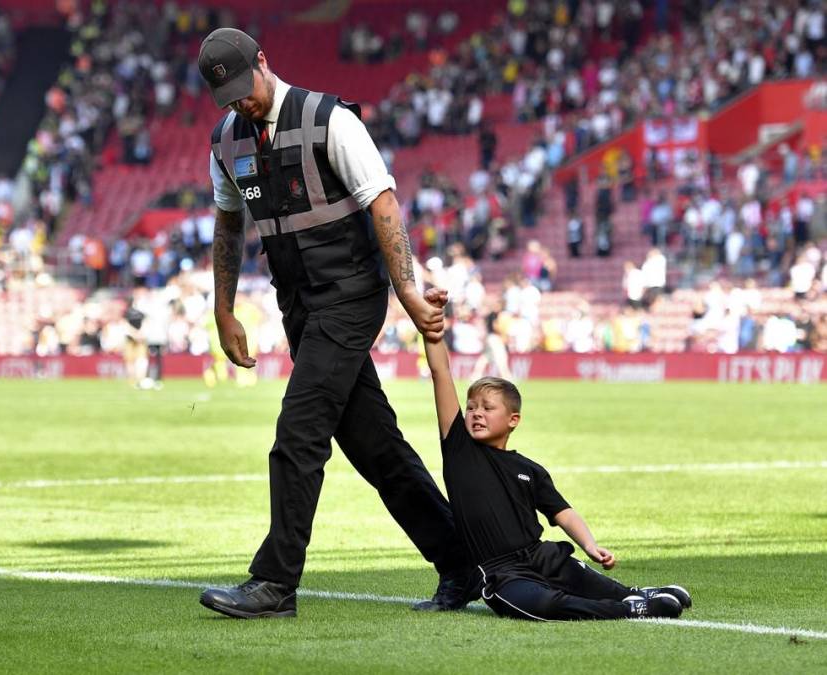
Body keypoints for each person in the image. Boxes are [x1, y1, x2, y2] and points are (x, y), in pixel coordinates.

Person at [196, 28, 468, 619]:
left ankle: (275, 583)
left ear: (264, 63)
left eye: (245, 88)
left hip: (350, 294)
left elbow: (384, 204)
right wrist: (224, 309)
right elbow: (228, 225)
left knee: (299, 430)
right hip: (297, 302)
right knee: (375, 447)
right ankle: (461, 563)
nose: (242, 103)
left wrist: (408, 293)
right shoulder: (226, 141)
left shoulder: (331, 121)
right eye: (229, 98)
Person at [421, 287, 691, 621]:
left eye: (487, 408)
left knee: (587, 580)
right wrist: (432, 326)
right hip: (502, 573)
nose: (475, 413)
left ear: (513, 420)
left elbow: (562, 512)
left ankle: (636, 595)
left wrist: (590, 545)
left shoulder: (529, 469)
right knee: (544, 606)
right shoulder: (460, 451)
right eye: (471, 407)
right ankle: (630, 608)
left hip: (542, 555)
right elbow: (440, 374)